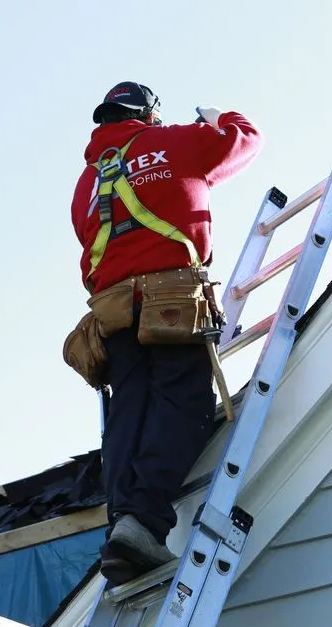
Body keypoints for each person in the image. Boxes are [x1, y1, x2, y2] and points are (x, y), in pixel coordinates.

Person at [64, 81, 263, 585]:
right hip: (172, 299)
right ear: (148, 115)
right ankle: (143, 521)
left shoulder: (86, 183)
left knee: (130, 412)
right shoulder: (177, 140)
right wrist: (219, 116)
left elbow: (89, 244)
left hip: (114, 312)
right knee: (185, 401)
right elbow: (245, 140)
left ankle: (122, 527)